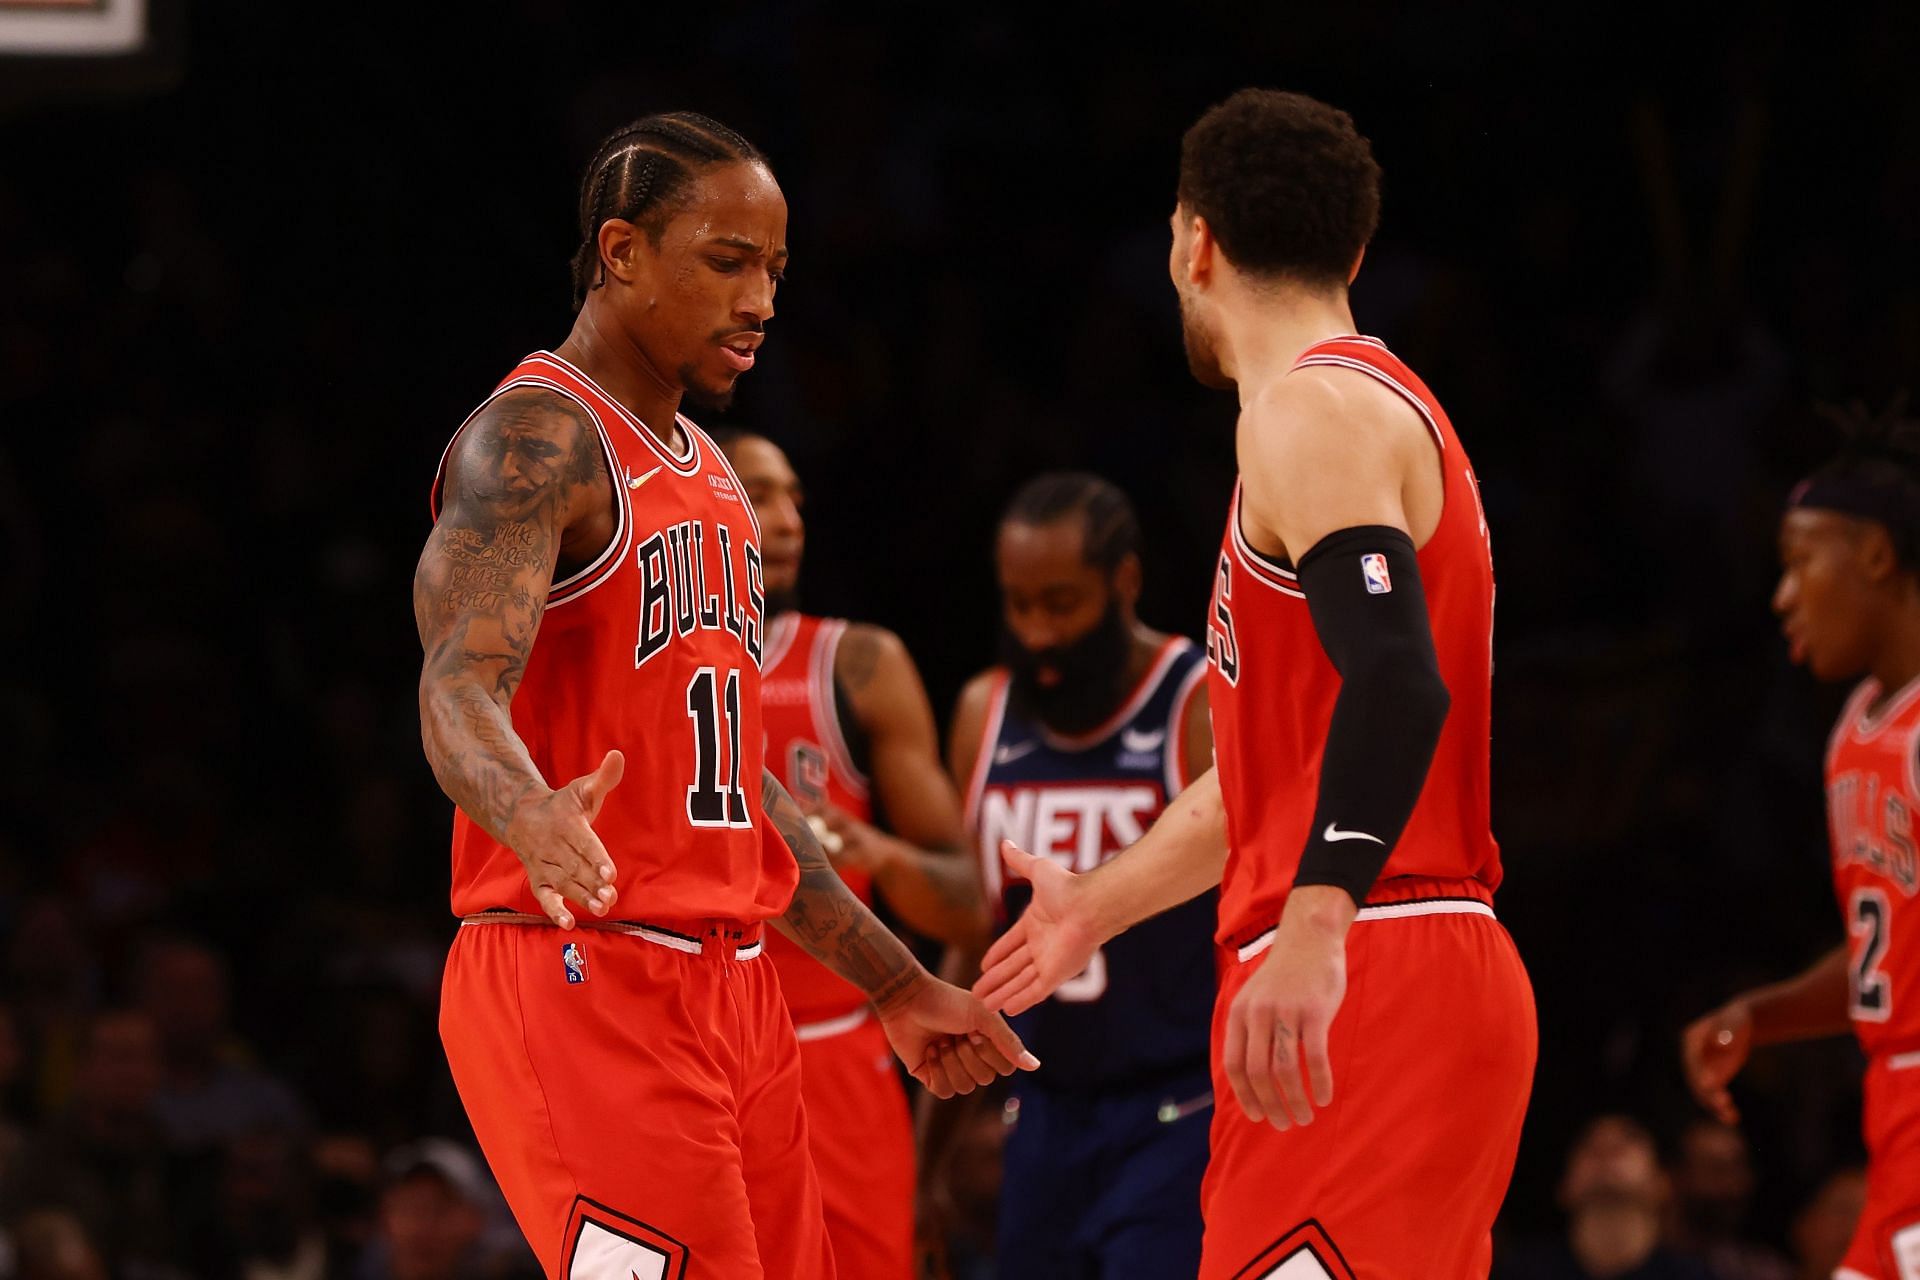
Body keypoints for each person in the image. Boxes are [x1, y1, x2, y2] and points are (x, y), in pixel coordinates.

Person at [413, 111, 1033, 1278]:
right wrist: (528, 808)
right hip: (581, 965)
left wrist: (896, 981)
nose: (762, 300)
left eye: (777, 270)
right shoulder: (537, 437)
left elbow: (734, 789)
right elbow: (455, 684)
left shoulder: (713, 477)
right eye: (728, 261)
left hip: (736, 989)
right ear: (622, 251)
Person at [973, 88, 1536, 1278]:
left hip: (1371, 951)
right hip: (1395, 953)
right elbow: (1275, 773)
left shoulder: (1309, 412)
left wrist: (1319, 920)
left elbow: (1399, 682)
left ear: (1193, 241)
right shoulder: (1349, 415)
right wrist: (1096, 906)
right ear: (1357, 248)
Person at [924, 472, 1214, 1278]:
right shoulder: (984, 711)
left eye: (1061, 603)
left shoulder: (1193, 704)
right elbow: (970, 938)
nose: (1038, 630)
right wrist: (929, 1161)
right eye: (1018, 605)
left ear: (1124, 581)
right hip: (1043, 1114)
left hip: (1179, 1105)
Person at [717, 427, 988, 1278]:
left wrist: (878, 851)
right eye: (760, 495)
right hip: (693, 1042)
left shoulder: (857, 663)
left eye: (795, 496)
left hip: (832, 1044)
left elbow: (966, 902)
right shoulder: (634, 657)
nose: (789, 519)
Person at [1682, 404, 1920, 1280]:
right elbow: (1884, 959)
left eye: (1798, 563)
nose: (1782, 596)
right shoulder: (1853, 732)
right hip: (1893, 1120)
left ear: (1876, 555)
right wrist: (1764, 1015)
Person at [1495, 1116, 1714, 1280]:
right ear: (1563, 1187)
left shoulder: (1693, 1275)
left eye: (1628, 1138)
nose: (1606, 1151)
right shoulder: (1522, 1271)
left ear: (1662, 1184)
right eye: (1589, 1143)